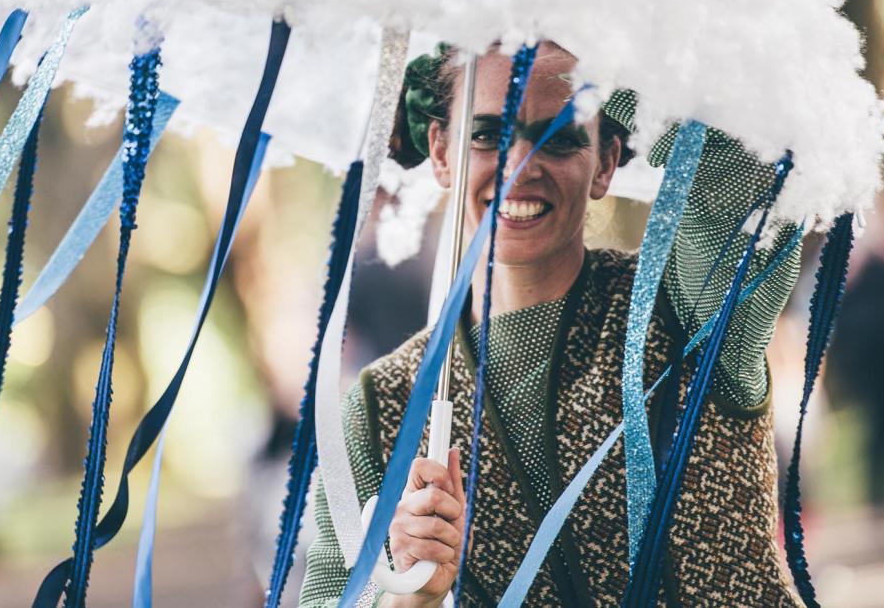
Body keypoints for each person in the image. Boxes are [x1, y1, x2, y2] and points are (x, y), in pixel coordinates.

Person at [298, 42, 805, 607]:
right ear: (441, 151)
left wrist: (576, 28)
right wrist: (410, 596)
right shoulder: (382, 406)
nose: (521, 166)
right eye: (487, 135)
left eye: (560, 136)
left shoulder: (690, 308)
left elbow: (751, 166)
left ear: (607, 161)